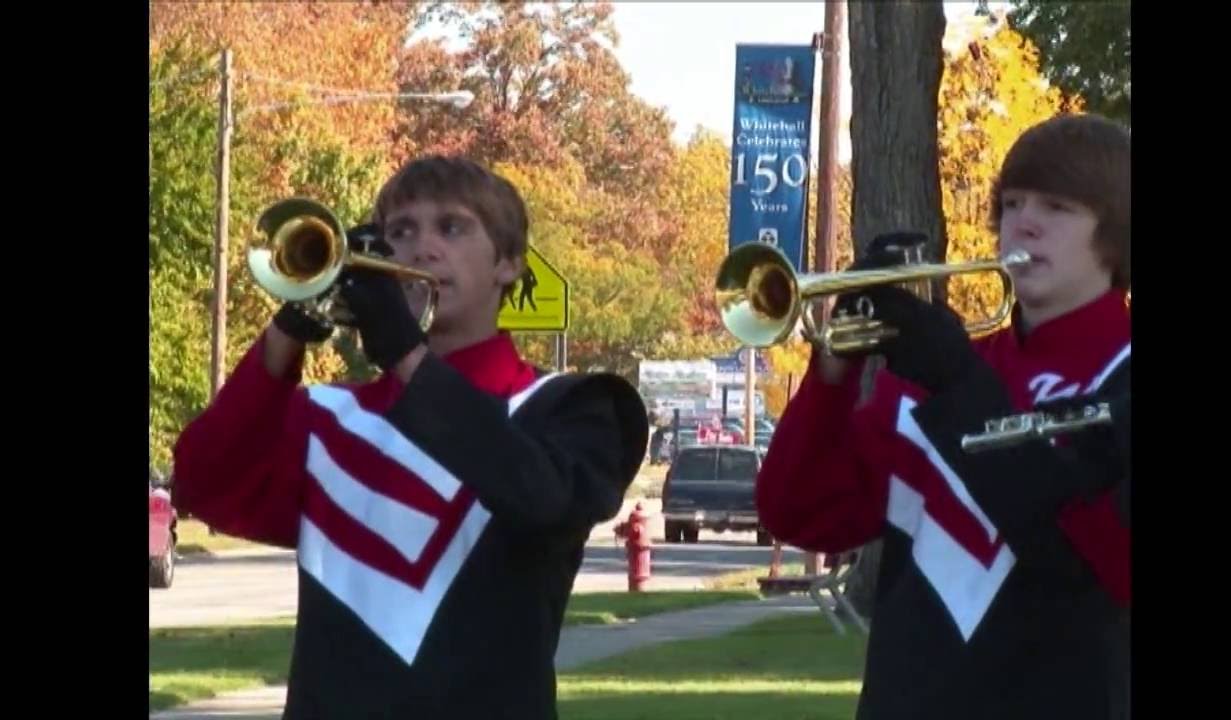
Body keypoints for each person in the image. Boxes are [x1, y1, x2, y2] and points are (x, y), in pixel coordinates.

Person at [171, 155, 649, 719]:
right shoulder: (331, 415)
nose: (422, 248)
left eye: (452, 227)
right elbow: (203, 485)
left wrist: (404, 354)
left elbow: (541, 499)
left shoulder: (571, 407)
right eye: (400, 231)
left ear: (510, 263)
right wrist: (289, 328)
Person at [756, 113, 1131, 720]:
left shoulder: (1114, 373)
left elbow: (1100, 560)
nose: (1024, 223)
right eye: (1011, 204)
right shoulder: (942, 370)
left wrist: (958, 386)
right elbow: (798, 512)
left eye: (1058, 208)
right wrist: (834, 368)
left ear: (1115, 237)